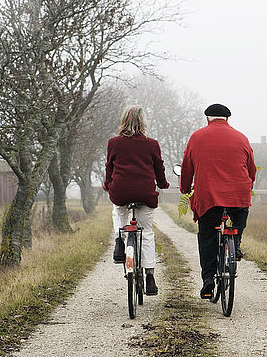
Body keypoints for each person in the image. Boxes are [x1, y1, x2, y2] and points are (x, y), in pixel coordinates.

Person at [179, 103, 256, 299]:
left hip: (209, 197)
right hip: (238, 194)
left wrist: (185, 189)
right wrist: (249, 184)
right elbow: (251, 169)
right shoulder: (241, 137)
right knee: (240, 215)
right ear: (228, 119)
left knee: (207, 235)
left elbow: (187, 167)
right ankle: (235, 244)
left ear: (207, 118)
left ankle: (208, 281)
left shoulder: (197, 137)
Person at [103, 105, 169, 296]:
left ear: (124, 121)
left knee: (118, 212)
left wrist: (108, 184)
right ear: (143, 122)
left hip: (121, 192)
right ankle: (149, 276)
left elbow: (109, 168)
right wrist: (163, 184)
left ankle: (119, 240)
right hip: (144, 193)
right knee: (146, 232)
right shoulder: (152, 144)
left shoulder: (113, 143)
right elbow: (159, 169)